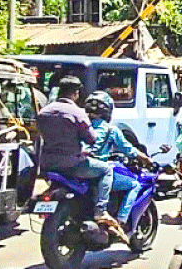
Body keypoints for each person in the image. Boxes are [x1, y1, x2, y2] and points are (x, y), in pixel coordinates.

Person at [37, 76, 117, 228]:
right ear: (76, 94)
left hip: (47, 164)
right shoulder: (77, 113)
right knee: (107, 170)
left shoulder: (44, 112)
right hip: (72, 165)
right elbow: (91, 139)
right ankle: (100, 210)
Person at [84, 91, 153, 230]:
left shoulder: (82, 125)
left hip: (79, 167)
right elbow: (128, 149)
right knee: (134, 184)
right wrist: (145, 158)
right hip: (97, 171)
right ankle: (120, 221)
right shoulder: (111, 130)